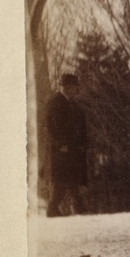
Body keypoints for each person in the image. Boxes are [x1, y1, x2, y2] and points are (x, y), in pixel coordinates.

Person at [45, 73, 88, 217]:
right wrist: (60, 144)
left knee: (74, 180)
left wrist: (83, 143)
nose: (70, 89)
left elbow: (81, 128)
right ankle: (52, 210)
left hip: (74, 150)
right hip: (61, 150)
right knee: (60, 183)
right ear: (61, 87)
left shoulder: (75, 106)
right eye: (66, 86)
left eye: (72, 86)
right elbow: (51, 127)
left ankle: (78, 208)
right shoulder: (55, 103)